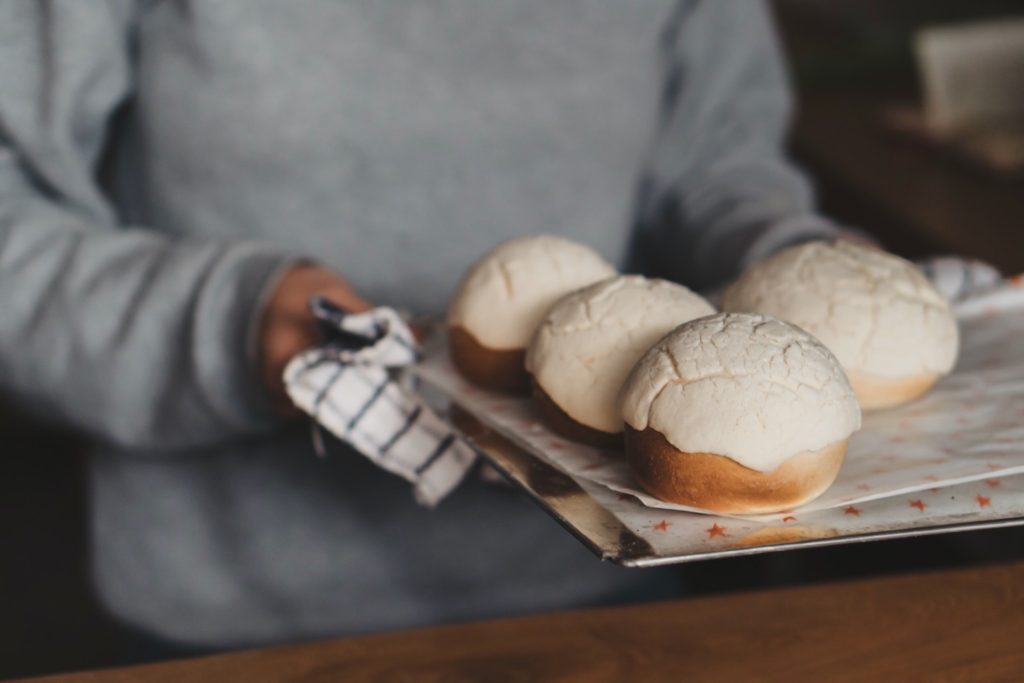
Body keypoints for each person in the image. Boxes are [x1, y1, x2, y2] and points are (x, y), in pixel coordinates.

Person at [0, 0, 852, 655]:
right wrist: (225, 322)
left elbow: (718, 165)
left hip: (605, 594)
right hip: (226, 617)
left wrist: (805, 268)